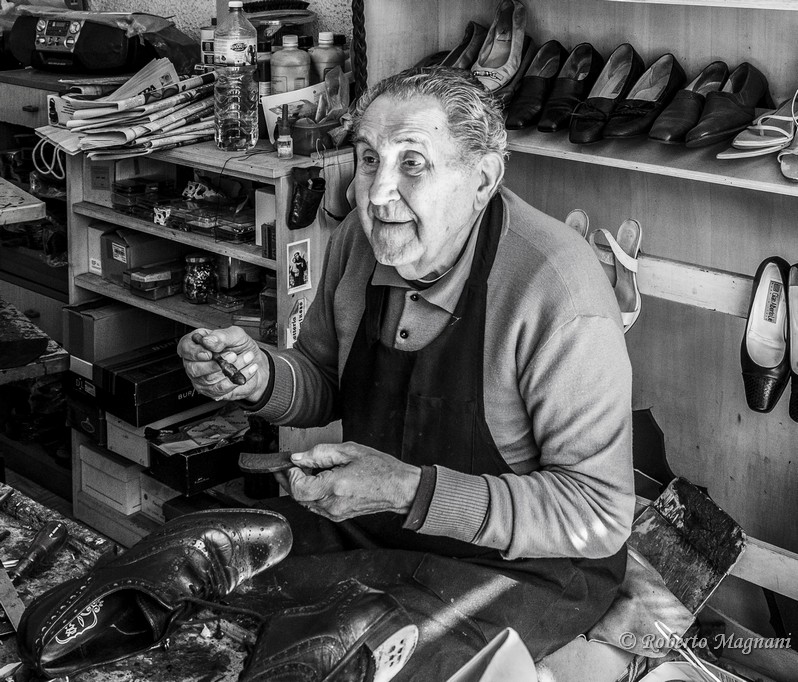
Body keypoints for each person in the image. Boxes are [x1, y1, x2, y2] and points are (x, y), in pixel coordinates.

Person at [178, 66, 635, 678]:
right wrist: (259, 376)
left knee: (361, 668)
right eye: (369, 160)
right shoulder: (359, 243)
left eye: (412, 164)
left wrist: (407, 490)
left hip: (522, 564)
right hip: (380, 529)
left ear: (483, 179)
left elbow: (597, 513)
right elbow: (322, 377)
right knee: (196, 572)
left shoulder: (556, 290)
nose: (375, 194)